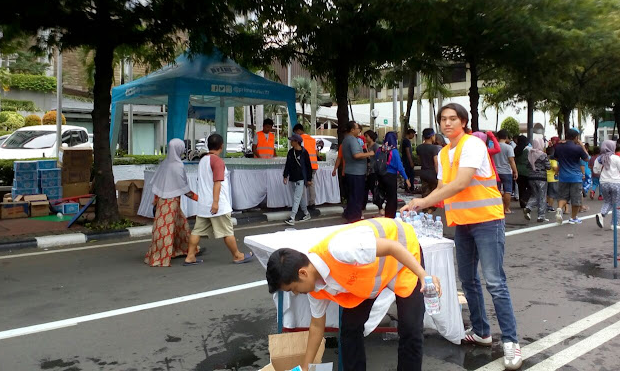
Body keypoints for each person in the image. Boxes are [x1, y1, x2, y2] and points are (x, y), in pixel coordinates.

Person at [402, 103, 522, 370]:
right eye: (443, 119)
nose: (447, 123)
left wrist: (421, 202)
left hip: (488, 221)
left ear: (464, 122)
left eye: (453, 119)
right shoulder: (444, 153)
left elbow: (461, 183)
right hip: (463, 224)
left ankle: (511, 342)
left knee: (495, 282)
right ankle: (481, 331)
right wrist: (418, 205)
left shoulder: (472, 145)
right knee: (467, 279)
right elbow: (444, 189)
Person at [265, 218, 441, 371]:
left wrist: (423, 275)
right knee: (349, 329)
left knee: (410, 328)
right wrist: (305, 367)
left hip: (403, 255)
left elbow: (392, 247)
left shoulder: (341, 249)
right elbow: (317, 328)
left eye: (293, 289)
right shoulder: (315, 289)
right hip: (368, 278)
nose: (296, 293)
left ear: (303, 273)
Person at [184, 134, 254, 265]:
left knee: (197, 231)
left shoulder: (203, 160)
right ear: (222, 146)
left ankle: (190, 256)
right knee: (227, 231)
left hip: (203, 204)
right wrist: (215, 203)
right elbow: (217, 183)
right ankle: (237, 255)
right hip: (217, 205)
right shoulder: (217, 161)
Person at [145, 139, 199, 267]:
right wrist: (198, 198)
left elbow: (158, 182)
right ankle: (161, 257)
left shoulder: (165, 163)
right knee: (166, 230)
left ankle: (187, 249)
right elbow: (184, 187)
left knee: (180, 226)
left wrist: (156, 199)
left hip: (161, 201)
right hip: (172, 202)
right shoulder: (178, 165)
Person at [341, 121, 375, 222]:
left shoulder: (346, 139)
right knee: (357, 196)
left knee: (352, 195)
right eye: (357, 128)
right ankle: (355, 217)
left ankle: (349, 214)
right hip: (356, 173)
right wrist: (369, 154)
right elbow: (356, 155)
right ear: (352, 130)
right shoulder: (352, 140)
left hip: (351, 171)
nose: (359, 130)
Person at [554, 128, 589, 225]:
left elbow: (556, 158)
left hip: (563, 176)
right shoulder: (577, 148)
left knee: (563, 196)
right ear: (576, 137)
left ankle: (559, 209)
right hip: (575, 177)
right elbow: (586, 159)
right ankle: (573, 217)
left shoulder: (559, 147)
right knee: (576, 198)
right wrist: (582, 145)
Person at [375, 132, 410, 219]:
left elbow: (376, 162)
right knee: (392, 198)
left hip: (381, 175)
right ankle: (390, 217)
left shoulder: (379, 150)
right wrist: (406, 178)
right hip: (391, 176)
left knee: (383, 194)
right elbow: (400, 167)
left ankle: (382, 210)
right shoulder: (394, 151)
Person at [283, 134, 313, 226]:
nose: (291, 142)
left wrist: (309, 179)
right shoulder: (290, 152)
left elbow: (308, 167)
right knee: (299, 197)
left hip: (301, 178)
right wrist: (285, 176)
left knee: (296, 198)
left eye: (292, 140)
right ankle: (306, 213)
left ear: (297, 141)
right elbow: (287, 165)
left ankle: (292, 217)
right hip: (292, 177)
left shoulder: (304, 152)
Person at [593, 140, 620, 229]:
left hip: (604, 182)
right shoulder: (616, 158)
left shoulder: (599, 159)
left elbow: (595, 171)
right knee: (616, 203)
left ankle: (601, 214)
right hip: (616, 182)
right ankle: (614, 224)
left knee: (607, 201)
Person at [293, 124, 319, 213]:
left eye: (296, 132)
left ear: (299, 130)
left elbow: (299, 151)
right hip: (313, 165)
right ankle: (312, 203)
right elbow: (316, 152)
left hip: (304, 166)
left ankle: (302, 204)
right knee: (311, 184)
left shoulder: (301, 139)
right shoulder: (312, 139)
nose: (296, 135)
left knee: (302, 184)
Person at [525, 137, 551, 222]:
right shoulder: (543, 155)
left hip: (531, 177)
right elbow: (548, 166)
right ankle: (541, 216)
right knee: (542, 196)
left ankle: (528, 207)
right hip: (541, 178)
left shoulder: (530, 153)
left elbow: (527, 165)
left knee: (535, 195)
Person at [493, 130, 518, 215]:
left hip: (496, 172)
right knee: (508, 191)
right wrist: (515, 171)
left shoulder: (493, 147)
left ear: (497, 137)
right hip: (506, 171)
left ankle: (498, 209)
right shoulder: (508, 147)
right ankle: (506, 209)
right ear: (506, 137)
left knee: (497, 191)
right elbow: (511, 161)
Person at [415, 128, 441, 203]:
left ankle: (425, 211)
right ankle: (430, 211)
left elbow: (419, 160)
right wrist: (438, 175)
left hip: (423, 173)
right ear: (432, 136)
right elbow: (436, 163)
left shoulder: (419, 148)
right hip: (432, 174)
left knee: (425, 195)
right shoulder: (434, 148)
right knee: (434, 195)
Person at [363, 130, 381, 212]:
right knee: (364, 190)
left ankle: (380, 206)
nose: (365, 138)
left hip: (373, 171)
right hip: (365, 170)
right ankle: (362, 207)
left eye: (366, 136)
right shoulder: (364, 146)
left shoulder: (376, 147)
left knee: (374, 190)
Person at [514, 135, 531, 209]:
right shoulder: (528, 150)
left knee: (521, 187)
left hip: (518, 170)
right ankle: (525, 199)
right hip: (527, 171)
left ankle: (522, 203)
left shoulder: (515, 149)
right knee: (531, 187)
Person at [401, 128, 416, 193]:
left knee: (407, 174)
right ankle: (411, 187)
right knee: (410, 174)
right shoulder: (406, 141)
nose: (413, 136)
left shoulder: (405, 141)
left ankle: (407, 187)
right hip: (407, 161)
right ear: (410, 133)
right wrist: (411, 161)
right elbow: (408, 152)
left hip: (405, 160)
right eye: (413, 134)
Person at [546, 146, 559, 213]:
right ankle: (550, 207)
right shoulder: (553, 160)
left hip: (546, 177)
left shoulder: (545, 159)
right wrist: (557, 172)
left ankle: (546, 205)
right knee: (552, 194)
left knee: (547, 193)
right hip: (552, 178)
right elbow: (554, 168)